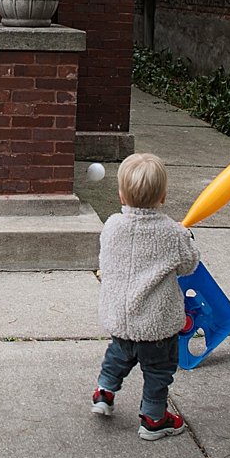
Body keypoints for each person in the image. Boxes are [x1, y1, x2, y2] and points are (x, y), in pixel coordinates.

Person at [91, 153, 201, 439]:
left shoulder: (112, 225)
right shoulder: (172, 234)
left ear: (120, 195)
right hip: (156, 325)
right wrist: (186, 238)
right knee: (158, 372)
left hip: (120, 317)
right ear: (163, 197)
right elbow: (189, 266)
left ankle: (104, 391)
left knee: (118, 356)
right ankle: (154, 419)